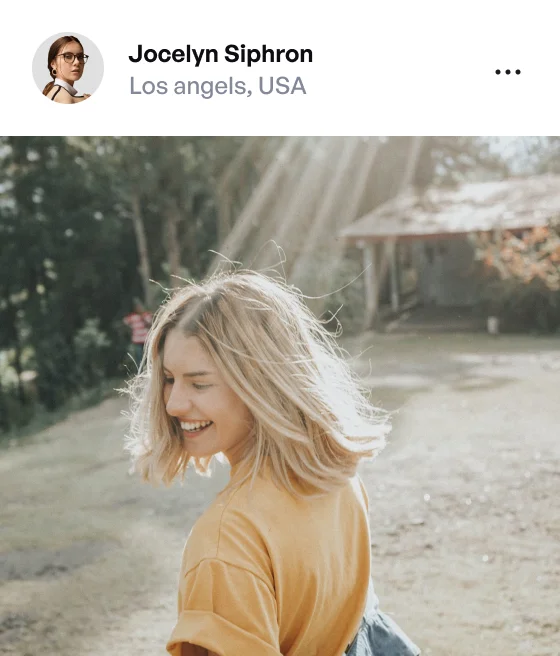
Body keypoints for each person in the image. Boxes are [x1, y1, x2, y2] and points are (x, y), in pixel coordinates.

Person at [124, 270, 421, 656]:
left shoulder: (226, 541)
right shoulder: (335, 476)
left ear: (260, 384)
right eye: (168, 379)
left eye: (199, 383)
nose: (173, 404)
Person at [42, 36, 91, 103]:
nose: (77, 62)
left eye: (80, 57)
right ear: (53, 64)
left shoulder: (60, 94)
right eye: (68, 56)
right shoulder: (63, 97)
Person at [123, 300, 153, 366]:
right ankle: (140, 370)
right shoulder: (132, 316)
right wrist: (130, 328)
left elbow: (150, 323)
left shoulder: (146, 315)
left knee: (148, 357)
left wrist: (142, 317)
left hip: (146, 340)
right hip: (137, 341)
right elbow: (125, 321)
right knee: (139, 358)